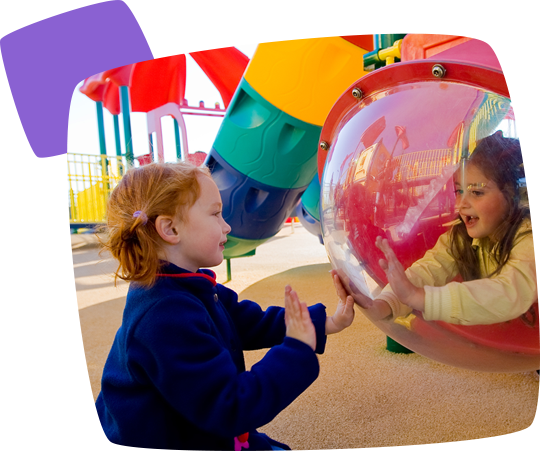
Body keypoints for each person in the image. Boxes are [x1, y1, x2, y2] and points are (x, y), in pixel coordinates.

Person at [88, 161, 355, 451]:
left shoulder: (191, 285)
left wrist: (326, 323)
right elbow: (230, 407)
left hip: (195, 427)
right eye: (215, 214)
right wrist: (296, 349)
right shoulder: (163, 317)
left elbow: (252, 322)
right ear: (170, 228)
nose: (226, 225)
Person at [341, 131, 540, 327]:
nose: (460, 204)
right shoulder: (462, 236)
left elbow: (510, 293)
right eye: (459, 191)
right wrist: (384, 305)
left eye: (477, 192)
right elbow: (429, 269)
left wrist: (421, 298)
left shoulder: (531, 237)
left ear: (512, 194)